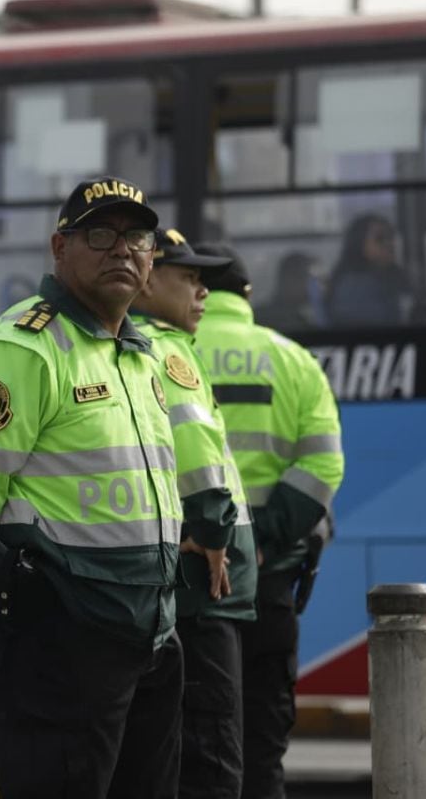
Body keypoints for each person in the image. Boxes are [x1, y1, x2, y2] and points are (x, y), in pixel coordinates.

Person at [0, 176, 184, 798]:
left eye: (137, 237)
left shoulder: (140, 353)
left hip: (151, 634)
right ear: (59, 247)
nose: (121, 249)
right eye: (100, 234)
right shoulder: (25, 346)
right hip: (63, 638)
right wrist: (5, 573)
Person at [194, 244, 345, 799]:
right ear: (247, 294)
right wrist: (262, 539)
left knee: (192, 746)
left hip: (189, 583)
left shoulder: (165, 355)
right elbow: (323, 464)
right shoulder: (294, 360)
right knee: (261, 744)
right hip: (270, 578)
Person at [130, 229, 258, 799]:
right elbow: (199, 454)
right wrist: (211, 533)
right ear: (147, 280)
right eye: (188, 278)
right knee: (211, 758)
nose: (203, 291)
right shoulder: (170, 350)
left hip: (166, 582)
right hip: (203, 582)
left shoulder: (130, 346)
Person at [324, 214, 408, 327]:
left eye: (391, 237)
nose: (389, 244)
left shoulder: (390, 276)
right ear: (359, 244)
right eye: (380, 239)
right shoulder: (352, 286)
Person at [254, 251, 325, 331]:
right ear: (288, 280)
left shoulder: (311, 316)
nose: (318, 287)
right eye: (309, 279)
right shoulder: (267, 317)